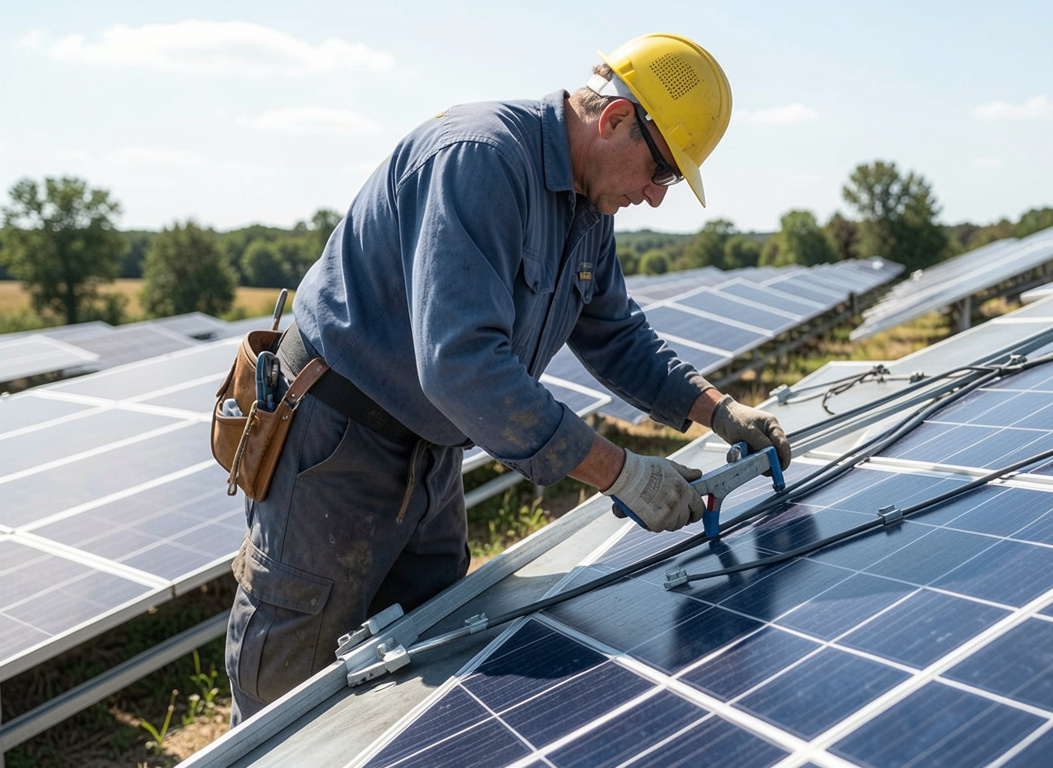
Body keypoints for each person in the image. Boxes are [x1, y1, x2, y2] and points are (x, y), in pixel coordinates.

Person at [224, 32, 791, 723]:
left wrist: (719, 410)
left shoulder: (588, 208)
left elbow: (616, 336)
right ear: (615, 120)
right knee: (289, 689)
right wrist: (621, 474)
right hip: (337, 445)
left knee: (427, 660)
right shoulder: (481, 159)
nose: (654, 197)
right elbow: (461, 365)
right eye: (662, 172)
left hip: (432, 452)